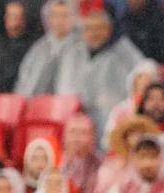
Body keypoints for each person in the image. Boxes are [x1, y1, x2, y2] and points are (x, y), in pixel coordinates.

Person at [55, 10, 145, 142]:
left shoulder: (124, 51)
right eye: (89, 29)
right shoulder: (74, 52)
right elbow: (64, 88)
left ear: (109, 29)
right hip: (79, 113)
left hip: (113, 114)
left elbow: (142, 75)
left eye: (99, 28)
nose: (94, 33)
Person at [90, 116, 160, 193]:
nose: (136, 137)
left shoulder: (159, 178)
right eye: (132, 133)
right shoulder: (112, 168)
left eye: (140, 132)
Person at [15, 0, 80, 96]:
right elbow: (24, 81)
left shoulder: (81, 47)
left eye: (64, 15)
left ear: (73, 18)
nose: (60, 20)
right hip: (36, 101)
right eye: (55, 15)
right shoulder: (39, 48)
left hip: (67, 101)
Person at [102, 60, 160, 151]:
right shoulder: (121, 109)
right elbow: (109, 138)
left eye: (149, 78)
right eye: (141, 78)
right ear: (134, 82)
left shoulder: (158, 110)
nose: (145, 82)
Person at [61, 114, 101, 193]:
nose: (76, 138)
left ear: (92, 137)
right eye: (72, 132)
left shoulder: (101, 167)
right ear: (64, 136)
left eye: (83, 133)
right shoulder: (53, 161)